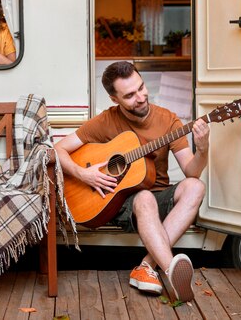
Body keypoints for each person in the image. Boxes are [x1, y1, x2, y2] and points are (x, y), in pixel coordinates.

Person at [55, 61, 210, 302]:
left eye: (141, 87)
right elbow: (57, 150)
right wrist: (83, 173)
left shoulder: (168, 120)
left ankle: (147, 266)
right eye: (129, 95)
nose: (140, 97)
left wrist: (202, 149)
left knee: (196, 187)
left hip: (158, 196)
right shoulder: (105, 121)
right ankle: (171, 270)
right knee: (144, 197)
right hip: (119, 202)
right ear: (114, 99)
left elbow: (192, 171)